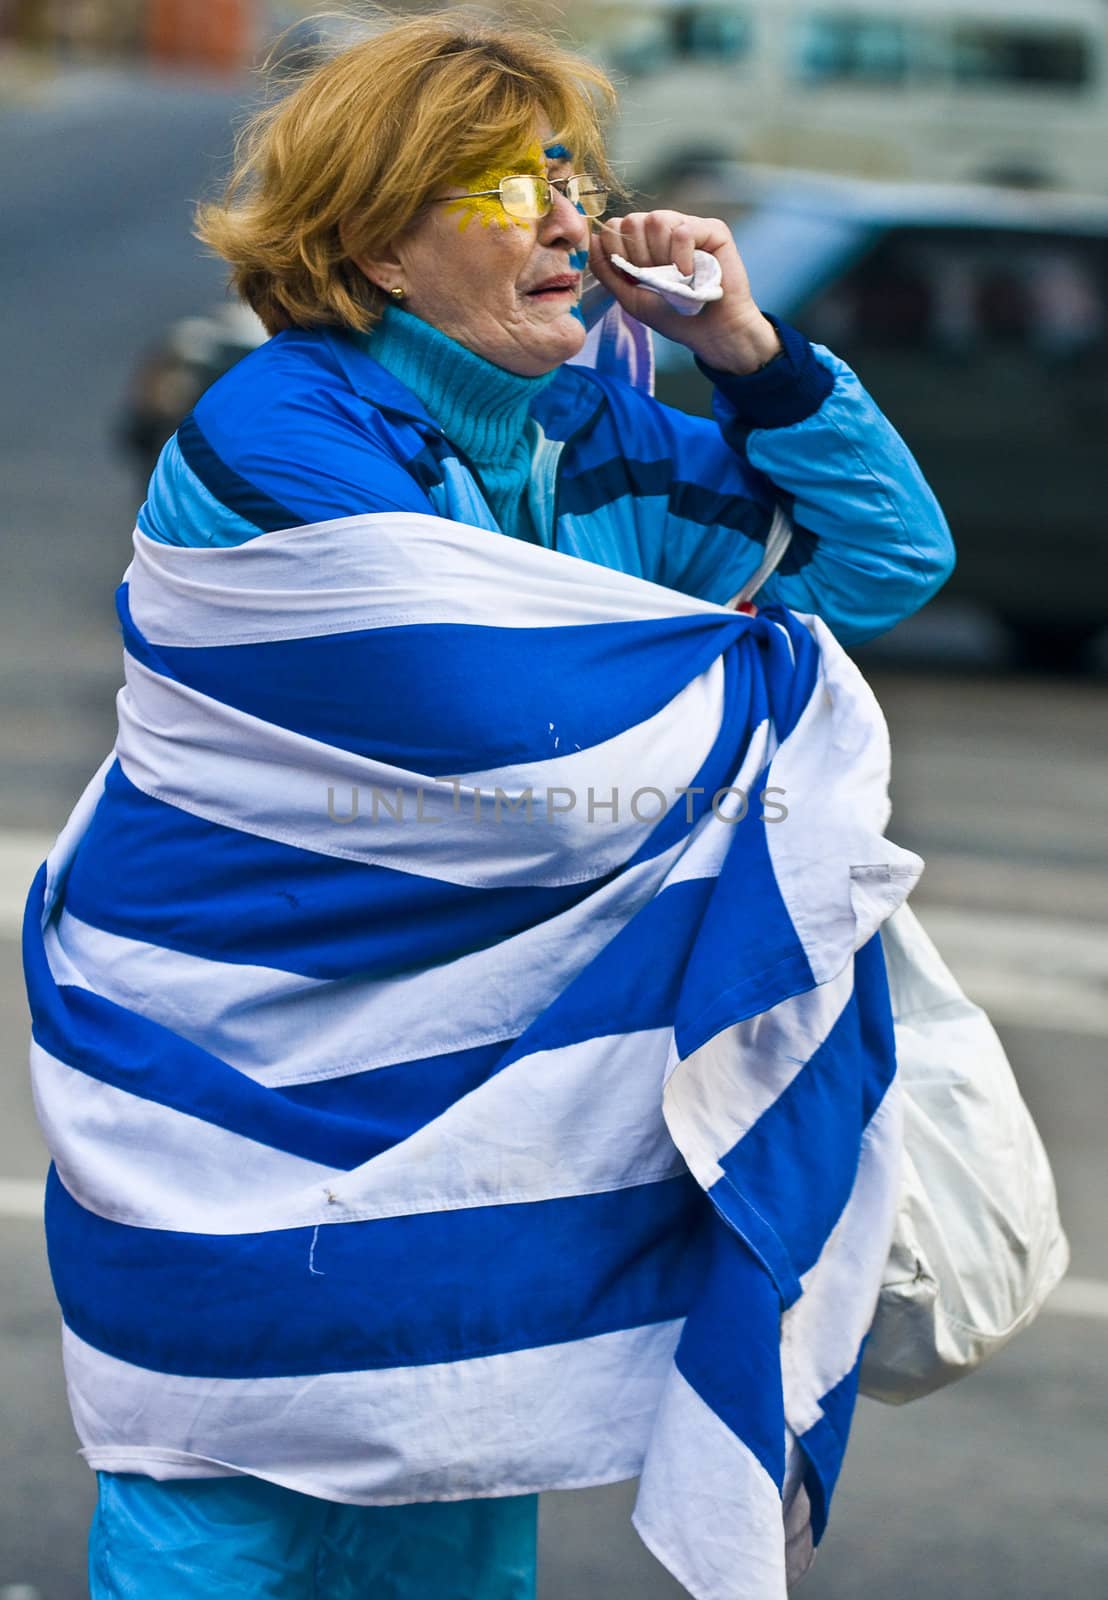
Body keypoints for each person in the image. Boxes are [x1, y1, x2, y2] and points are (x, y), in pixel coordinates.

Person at [42, 11, 954, 1598]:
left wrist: (744, 345)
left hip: (481, 1129)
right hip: (240, 1085)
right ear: (384, 250)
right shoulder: (280, 432)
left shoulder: (588, 435)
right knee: (219, 1527)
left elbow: (888, 564)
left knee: (448, 1504)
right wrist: (755, 700)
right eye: (495, 185)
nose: (563, 215)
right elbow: (493, 741)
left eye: (564, 173)